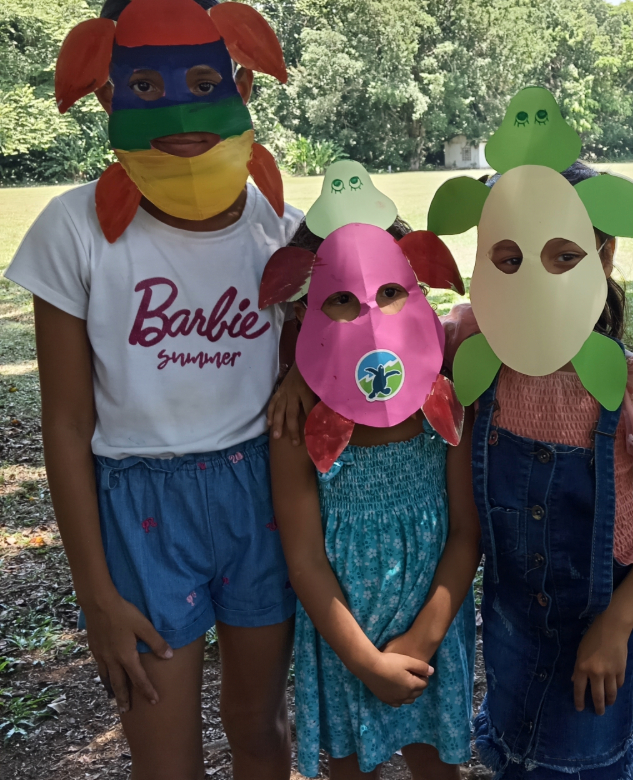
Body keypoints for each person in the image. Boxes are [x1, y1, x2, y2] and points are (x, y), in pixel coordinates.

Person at [3, 1, 306, 776]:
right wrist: (97, 595)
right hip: (140, 511)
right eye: (144, 83)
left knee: (263, 730)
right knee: (164, 757)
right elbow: (67, 427)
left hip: (261, 495)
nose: (179, 108)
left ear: (242, 80)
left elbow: (326, 353)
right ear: (108, 94)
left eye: (204, 80)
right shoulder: (73, 233)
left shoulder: (282, 227)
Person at [441, 160, 633, 780]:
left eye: (564, 256)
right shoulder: (473, 354)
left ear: (604, 254)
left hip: (599, 627)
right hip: (511, 626)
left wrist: (617, 625)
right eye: (509, 259)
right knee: (518, 757)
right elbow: (372, 340)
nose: (536, 277)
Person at [266, 171, 480, 780]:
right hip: (344, 644)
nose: (371, 311)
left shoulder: (447, 406)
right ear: (308, 306)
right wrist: (365, 661)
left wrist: (421, 642)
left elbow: (467, 532)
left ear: (414, 285)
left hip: (428, 638)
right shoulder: (296, 425)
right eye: (339, 298)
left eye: (390, 291)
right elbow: (303, 559)